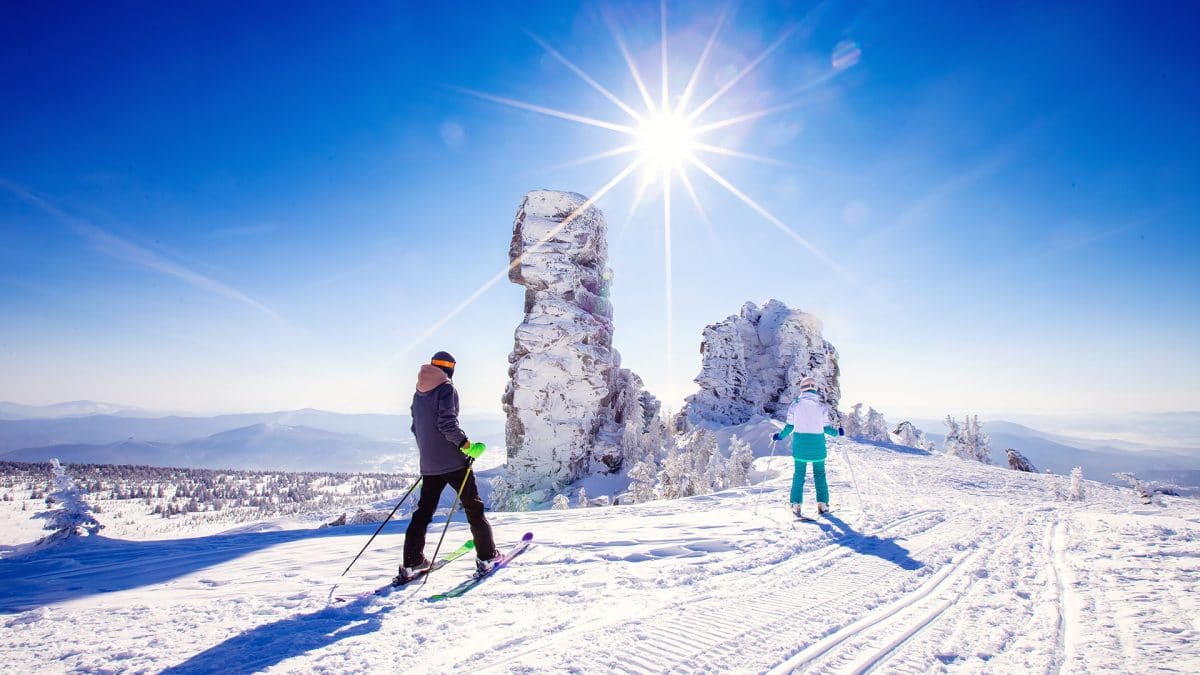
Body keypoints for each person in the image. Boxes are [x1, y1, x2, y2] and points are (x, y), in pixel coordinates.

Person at [398, 350, 500, 582]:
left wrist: (430, 453)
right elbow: (447, 424)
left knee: (423, 513)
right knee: (474, 509)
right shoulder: (446, 389)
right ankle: (487, 557)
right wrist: (467, 445)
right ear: (451, 369)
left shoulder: (419, 392)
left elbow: (416, 428)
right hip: (454, 463)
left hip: (429, 463)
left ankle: (412, 561)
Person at [772, 376, 843, 519]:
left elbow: (789, 427)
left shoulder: (795, 405)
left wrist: (779, 436)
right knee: (820, 475)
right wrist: (838, 433)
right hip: (818, 446)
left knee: (799, 475)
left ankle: (796, 505)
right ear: (814, 389)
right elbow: (827, 429)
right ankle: (822, 505)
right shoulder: (821, 407)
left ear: (802, 389)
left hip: (801, 446)